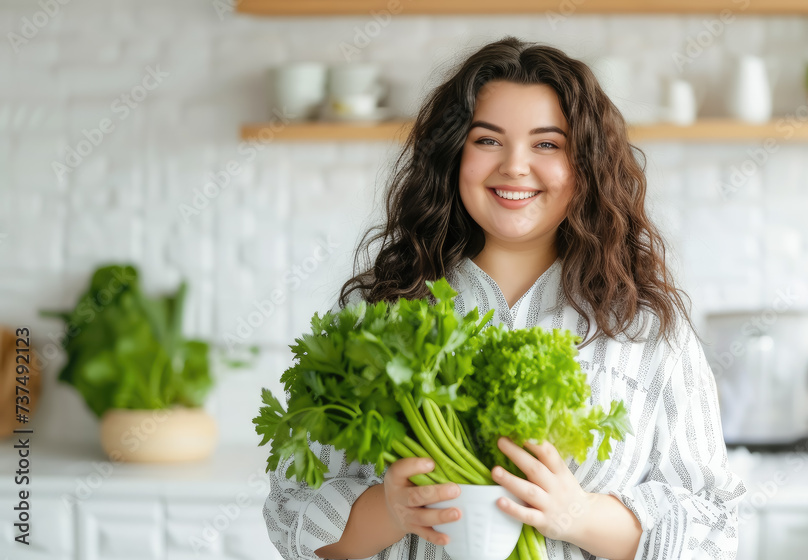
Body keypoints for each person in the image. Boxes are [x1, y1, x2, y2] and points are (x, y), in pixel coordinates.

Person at [263, 36, 746, 560]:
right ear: (452, 156)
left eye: (547, 144)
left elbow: (714, 530)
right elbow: (292, 519)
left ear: (586, 165)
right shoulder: (375, 316)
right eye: (487, 140)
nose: (515, 167)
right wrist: (390, 509)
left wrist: (578, 517)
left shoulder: (646, 329)